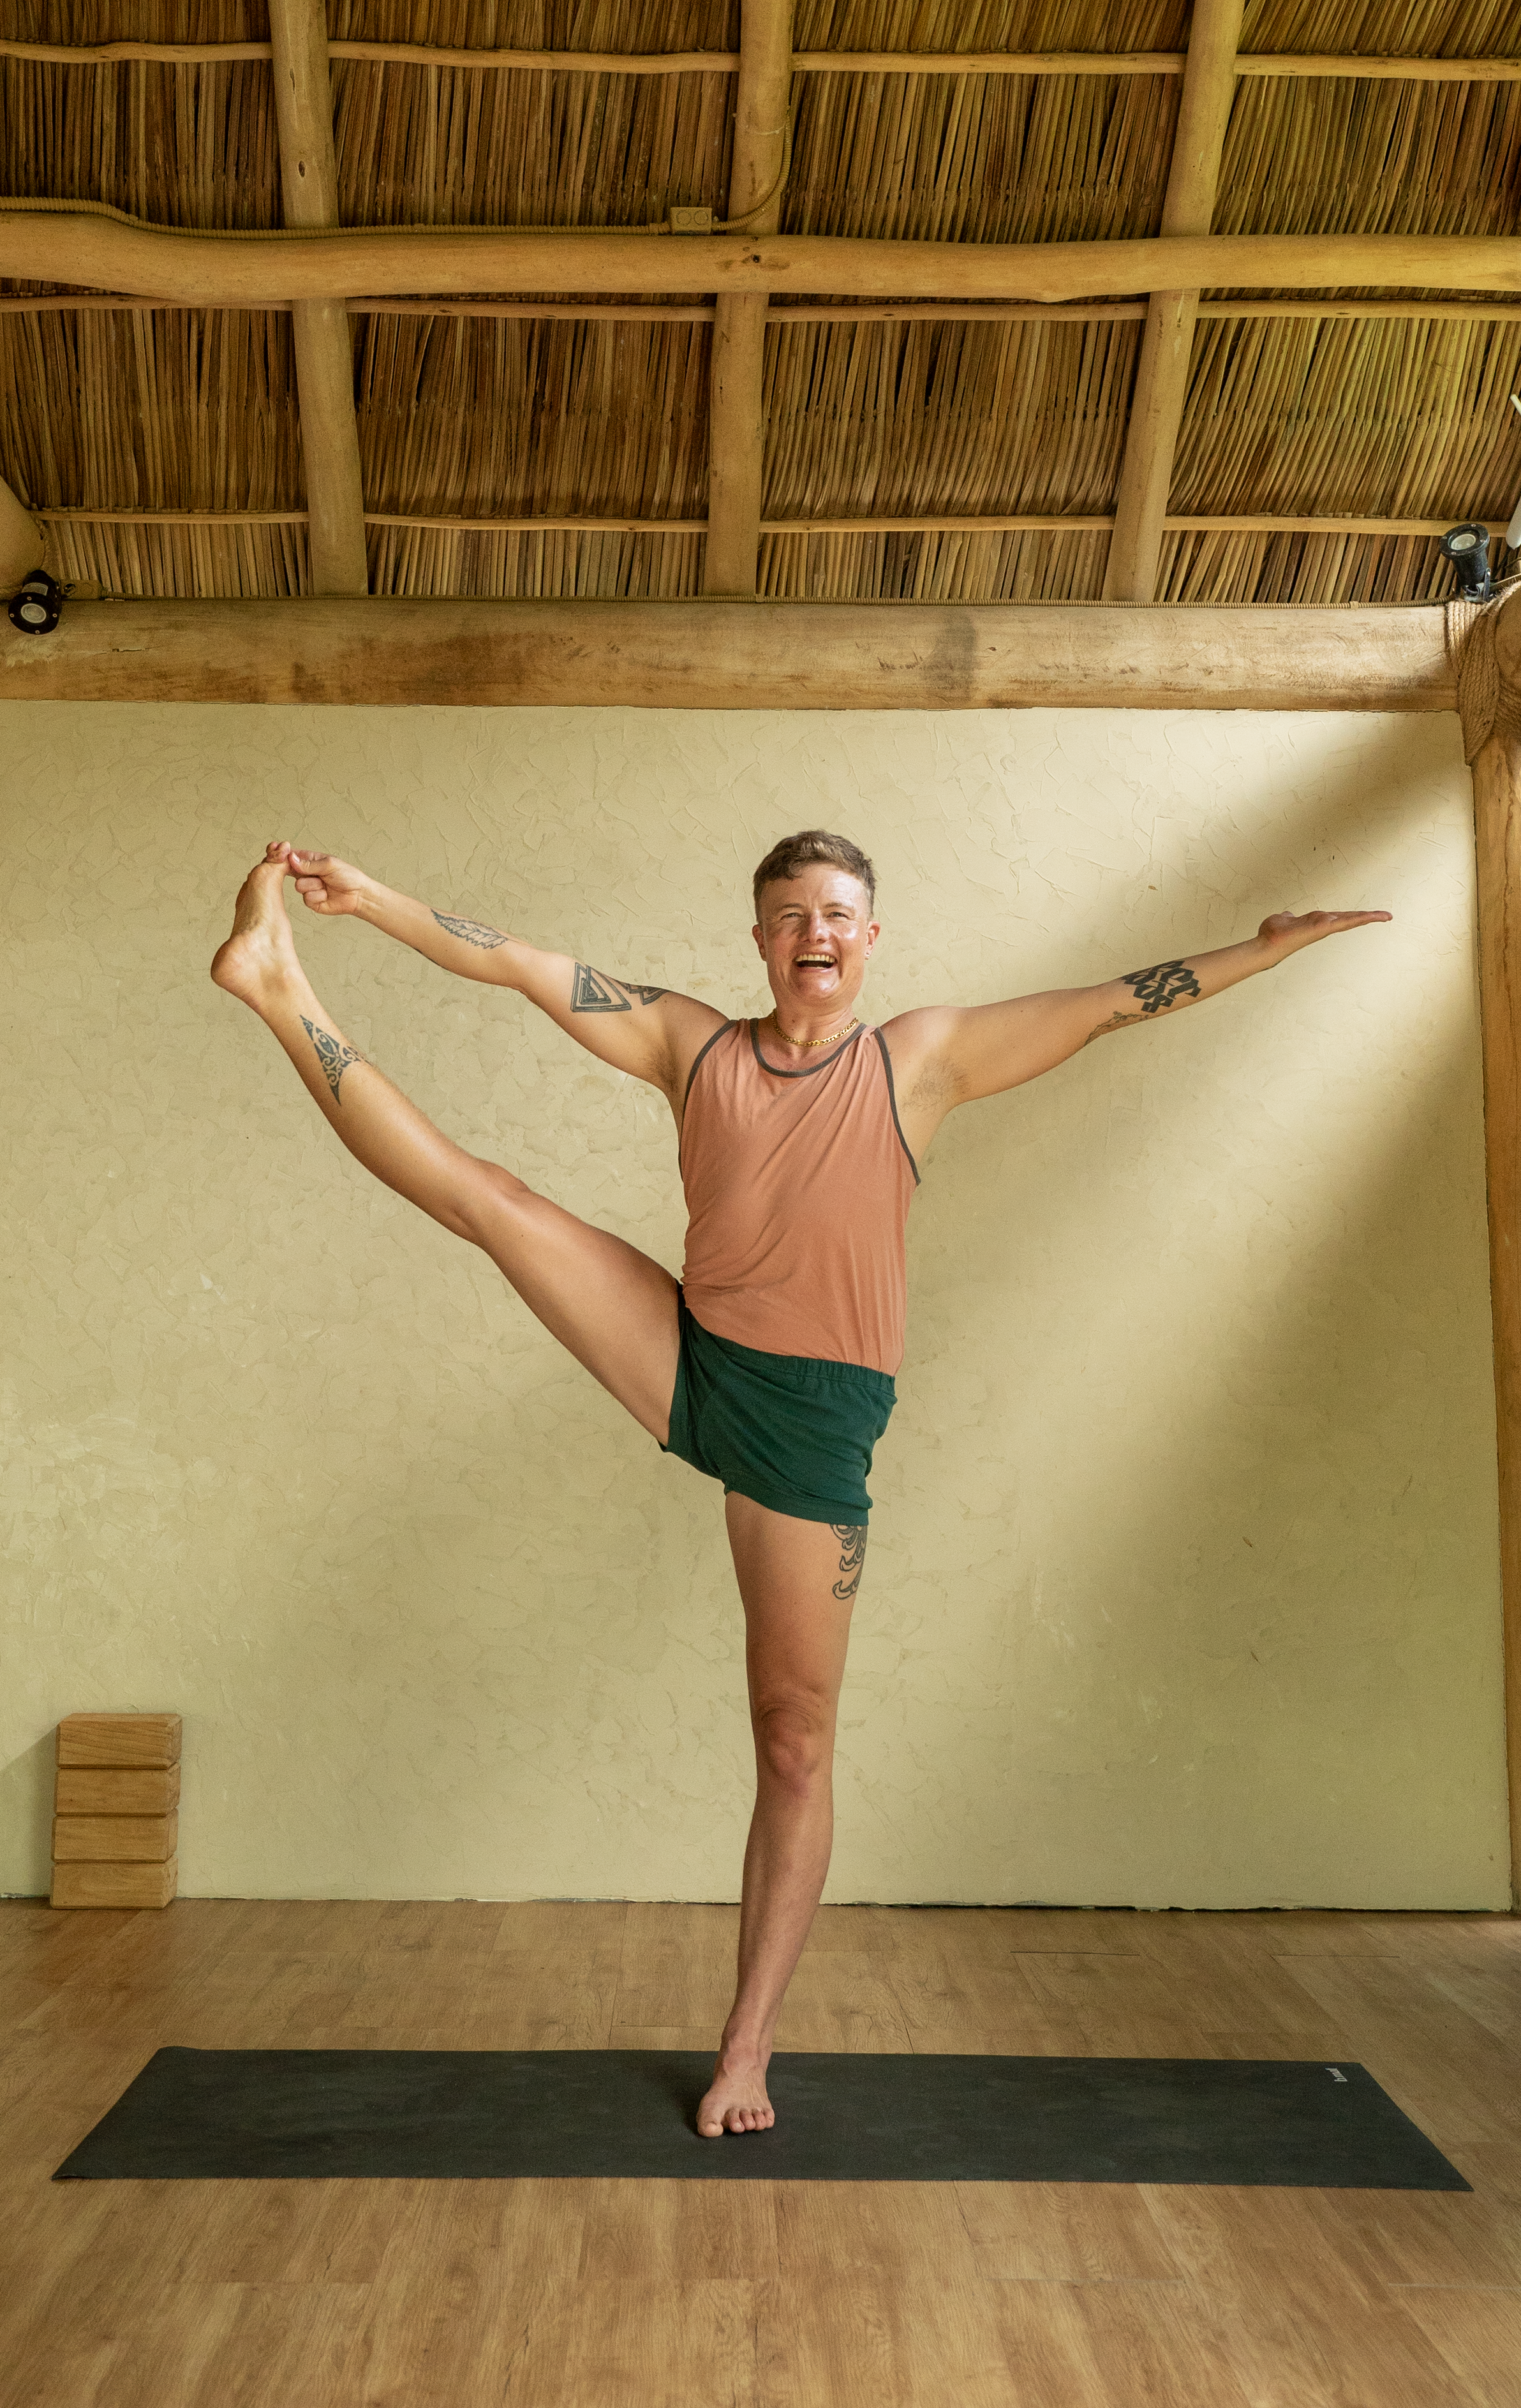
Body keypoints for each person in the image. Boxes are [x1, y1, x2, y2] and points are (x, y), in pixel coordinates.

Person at [211, 827, 1389, 2136]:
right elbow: (519, 967)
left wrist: (1261, 954)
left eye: (837, 913)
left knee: (793, 1737)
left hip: (812, 1428)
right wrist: (370, 902)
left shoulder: (918, 1061)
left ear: (869, 939)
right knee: (486, 1200)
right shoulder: (689, 1042)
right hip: (692, 1355)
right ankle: (276, 988)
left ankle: (746, 2049)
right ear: (759, 939)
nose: (813, 933)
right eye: (788, 914)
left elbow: (1112, 1004)